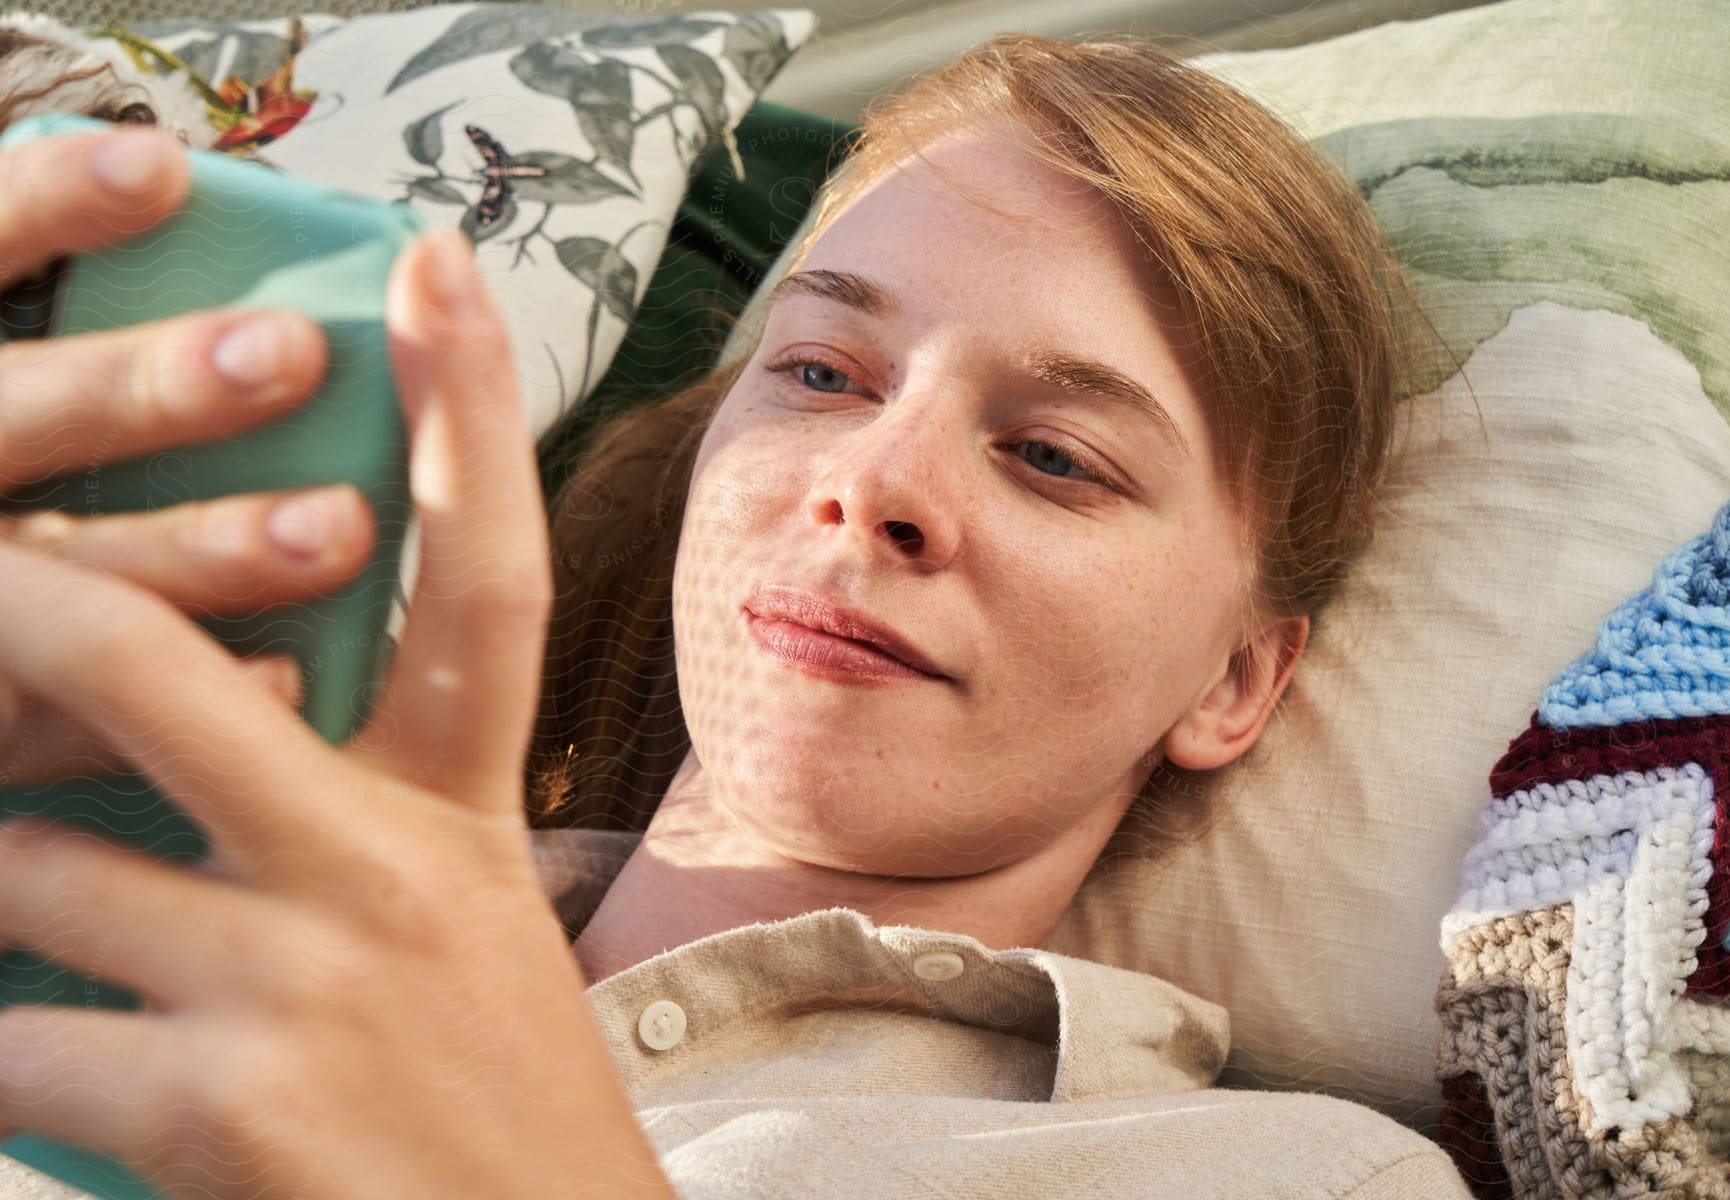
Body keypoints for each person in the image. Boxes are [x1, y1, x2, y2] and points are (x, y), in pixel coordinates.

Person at [0, 31, 1467, 1200]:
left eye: (1052, 457)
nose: (871, 481)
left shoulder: (1282, 1179)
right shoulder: (166, 882)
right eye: (824, 372)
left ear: (1238, 681)